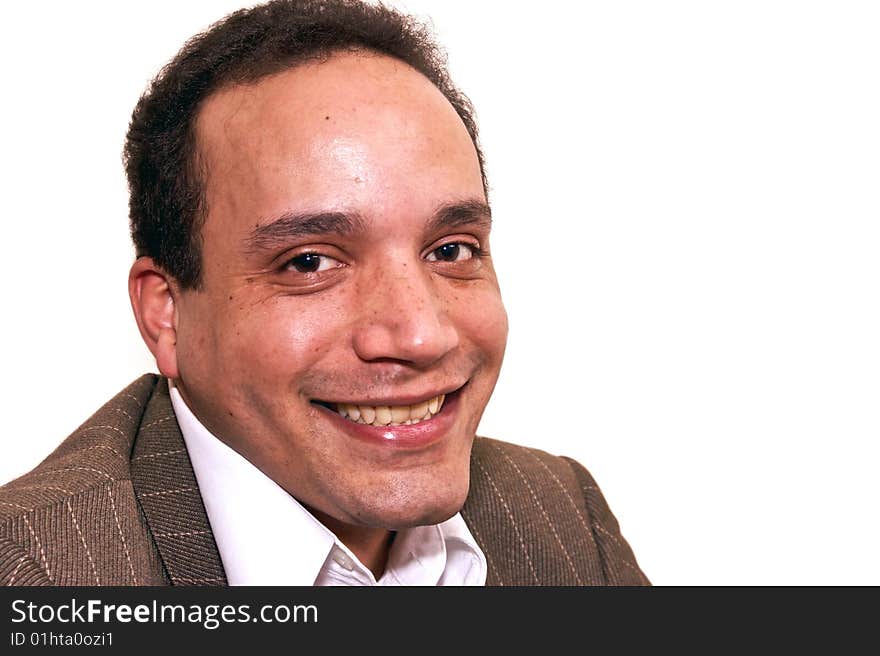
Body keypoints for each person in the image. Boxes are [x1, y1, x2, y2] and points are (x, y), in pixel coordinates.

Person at [0, 0, 647, 586]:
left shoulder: (560, 518)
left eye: (451, 250)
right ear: (166, 315)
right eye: (310, 262)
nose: (421, 334)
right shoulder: (35, 578)